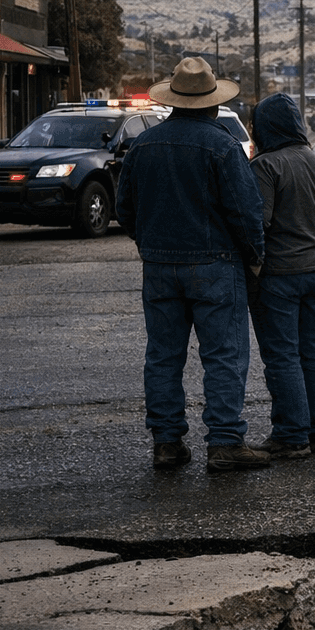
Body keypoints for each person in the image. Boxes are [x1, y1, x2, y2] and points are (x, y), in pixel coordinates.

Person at [116, 57, 268, 473]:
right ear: (213, 103)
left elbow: (124, 208)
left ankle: (167, 443)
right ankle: (224, 442)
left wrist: (149, 243)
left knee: (163, 356)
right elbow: (246, 213)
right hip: (216, 265)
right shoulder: (223, 146)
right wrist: (255, 257)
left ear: (174, 100)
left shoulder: (143, 145)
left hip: (159, 265)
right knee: (223, 355)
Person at [248, 93, 315, 459]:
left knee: (282, 355)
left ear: (266, 127)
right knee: (314, 351)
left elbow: (258, 224)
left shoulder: (266, 166)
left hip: (281, 274)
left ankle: (291, 435)